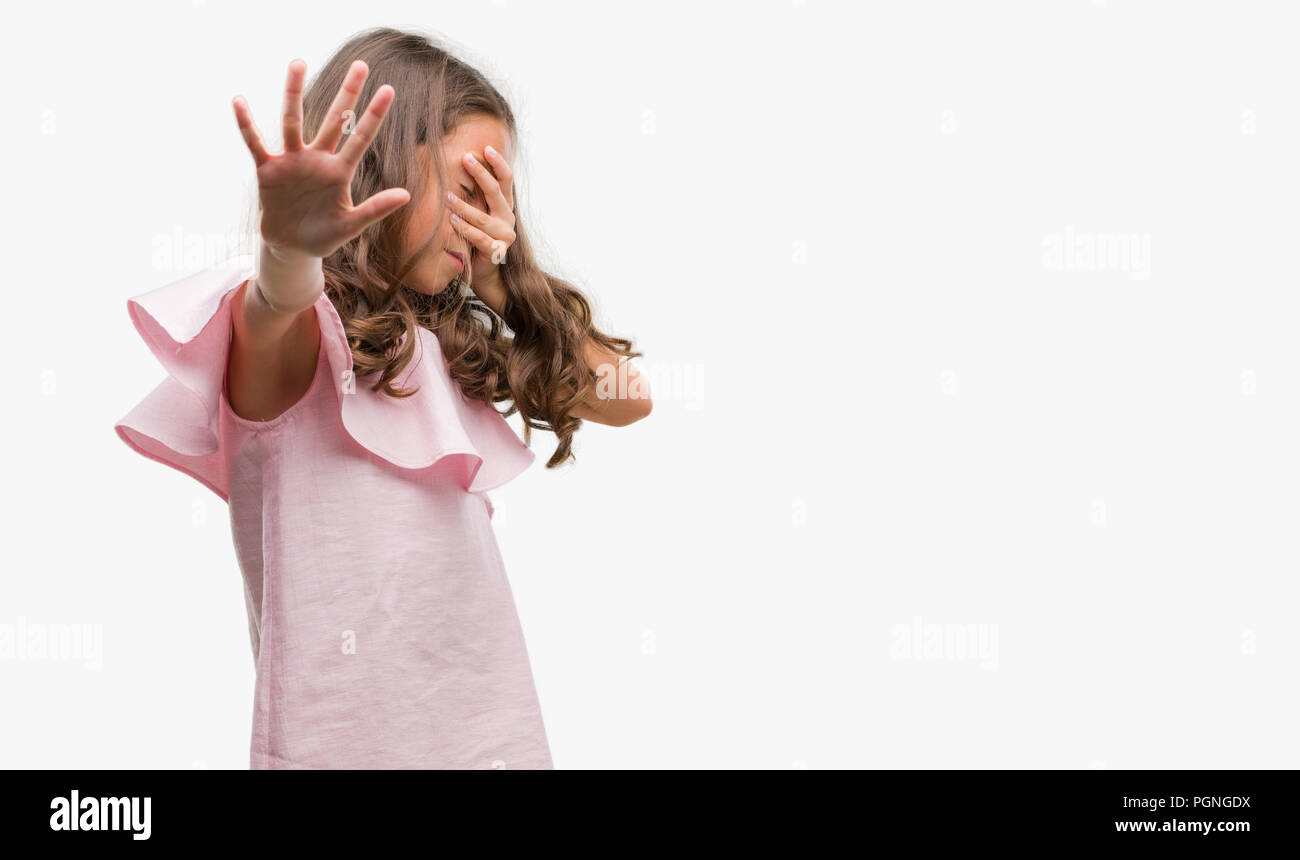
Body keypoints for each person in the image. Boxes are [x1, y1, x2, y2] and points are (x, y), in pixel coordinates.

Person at [114, 26, 652, 769]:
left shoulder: (443, 348)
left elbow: (627, 397)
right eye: (468, 188)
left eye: (499, 198)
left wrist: (508, 277)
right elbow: (276, 307)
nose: (481, 218)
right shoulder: (300, 334)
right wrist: (289, 250)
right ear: (381, 165)